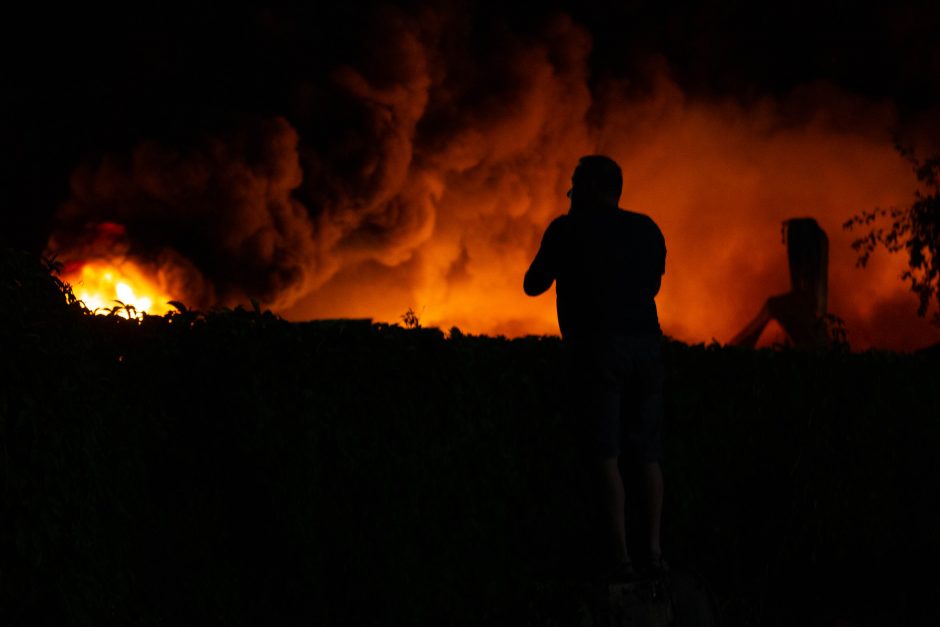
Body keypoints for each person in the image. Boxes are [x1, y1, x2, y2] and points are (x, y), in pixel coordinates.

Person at [523, 155, 667, 582]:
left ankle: (619, 560)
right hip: (649, 345)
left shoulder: (567, 229)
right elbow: (654, 284)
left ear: (584, 189)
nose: (569, 196)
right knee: (648, 455)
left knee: (604, 455)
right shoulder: (647, 229)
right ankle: (655, 555)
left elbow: (533, 284)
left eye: (572, 187)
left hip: (599, 348)